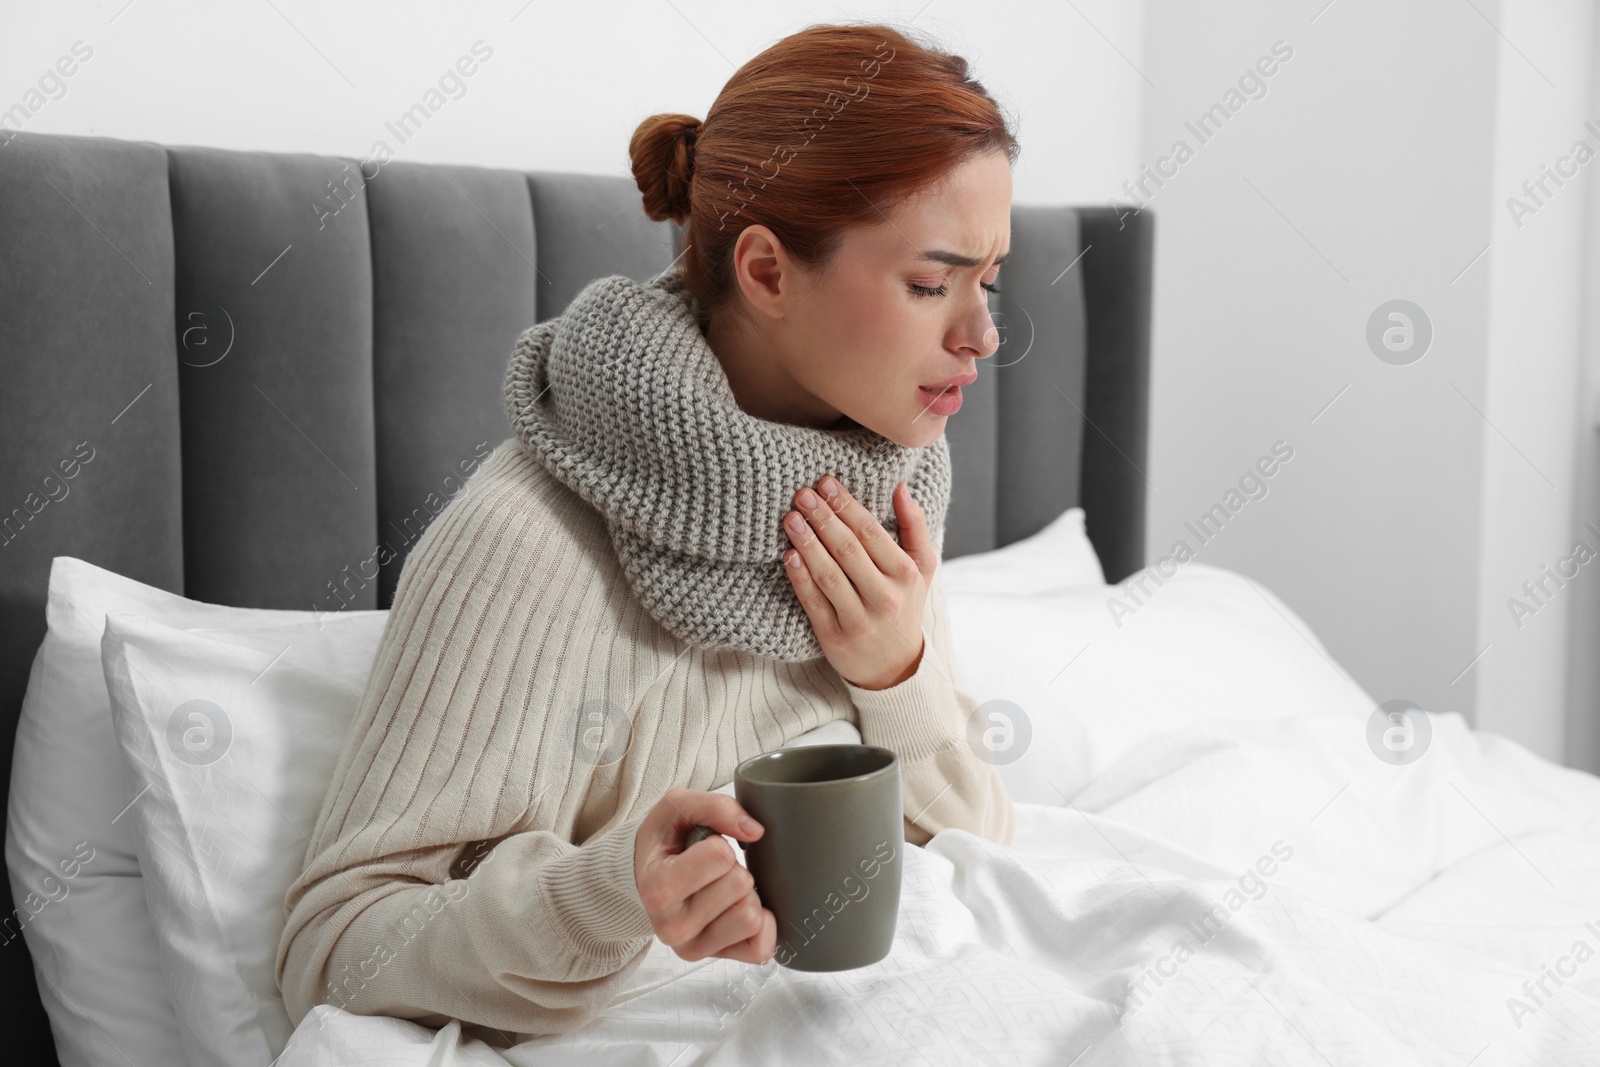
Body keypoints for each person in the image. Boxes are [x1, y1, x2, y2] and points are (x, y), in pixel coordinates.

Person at [274, 19, 1018, 1045]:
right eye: (934, 283)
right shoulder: (523, 539)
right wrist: (605, 889)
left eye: (991, 279)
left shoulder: (880, 498)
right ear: (764, 271)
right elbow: (330, 946)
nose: (983, 334)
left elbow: (979, 842)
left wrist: (898, 671)